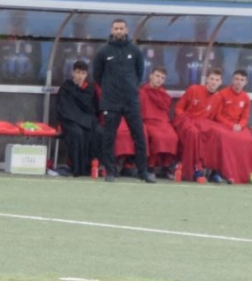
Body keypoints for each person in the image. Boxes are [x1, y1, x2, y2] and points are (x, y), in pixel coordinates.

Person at [92, 18, 155, 183]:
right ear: (112, 30)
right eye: (116, 28)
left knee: (139, 136)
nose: (119, 31)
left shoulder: (134, 50)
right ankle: (110, 171)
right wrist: (110, 89)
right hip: (111, 101)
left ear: (126, 30)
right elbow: (97, 75)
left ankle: (143, 172)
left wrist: (130, 88)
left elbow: (139, 73)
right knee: (109, 137)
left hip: (130, 101)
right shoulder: (103, 52)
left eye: (121, 28)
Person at [203, 69, 252, 185]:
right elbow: (217, 115)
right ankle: (222, 173)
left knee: (248, 140)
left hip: (238, 127)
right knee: (226, 139)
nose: (239, 82)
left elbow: (245, 117)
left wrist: (240, 125)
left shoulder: (246, 98)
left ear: (246, 82)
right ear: (232, 80)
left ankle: (248, 172)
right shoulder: (222, 94)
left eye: (242, 80)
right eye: (237, 79)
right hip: (223, 125)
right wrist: (231, 125)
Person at [173, 69, 224, 182]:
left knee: (217, 133)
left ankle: (214, 171)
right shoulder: (194, 89)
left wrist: (232, 126)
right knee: (194, 132)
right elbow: (178, 108)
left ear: (220, 82)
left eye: (217, 80)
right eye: (212, 79)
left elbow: (216, 118)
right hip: (186, 121)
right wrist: (185, 119)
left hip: (202, 125)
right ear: (207, 80)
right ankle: (196, 170)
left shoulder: (218, 98)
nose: (214, 82)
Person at [54, 60, 102, 177]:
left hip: (86, 120)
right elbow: (63, 109)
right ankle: (76, 168)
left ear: (86, 75)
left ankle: (92, 166)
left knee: (98, 132)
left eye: (83, 73)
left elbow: (93, 109)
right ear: (73, 73)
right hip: (70, 121)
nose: (80, 76)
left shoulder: (90, 90)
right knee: (77, 133)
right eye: (78, 72)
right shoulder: (66, 88)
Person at [138, 67, 179, 177]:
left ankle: (166, 167)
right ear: (151, 76)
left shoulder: (164, 95)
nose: (159, 79)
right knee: (158, 137)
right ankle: (150, 166)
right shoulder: (141, 92)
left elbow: (165, 110)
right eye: (157, 76)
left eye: (162, 78)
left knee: (173, 138)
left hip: (163, 122)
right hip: (148, 121)